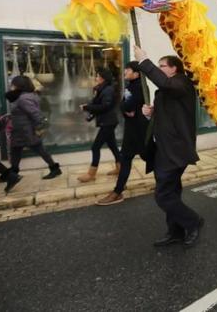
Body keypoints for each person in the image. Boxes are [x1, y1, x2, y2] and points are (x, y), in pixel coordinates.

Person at [135, 46, 203, 247]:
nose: (159, 67)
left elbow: (165, 84)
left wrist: (144, 61)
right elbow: (166, 112)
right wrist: (150, 113)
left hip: (175, 150)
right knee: (171, 191)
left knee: (163, 195)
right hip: (162, 149)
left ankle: (193, 221)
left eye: (162, 65)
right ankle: (175, 231)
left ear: (174, 69)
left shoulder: (182, 83)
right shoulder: (165, 89)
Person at [96, 62, 150, 206]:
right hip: (132, 130)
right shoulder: (131, 85)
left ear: (137, 73)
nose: (124, 71)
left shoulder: (140, 87)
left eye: (128, 69)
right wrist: (125, 107)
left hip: (141, 130)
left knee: (149, 157)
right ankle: (118, 190)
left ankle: (165, 182)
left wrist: (125, 107)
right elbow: (123, 105)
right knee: (126, 158)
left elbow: (128, 105)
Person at [5, 75, 61, 180]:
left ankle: (54, 168)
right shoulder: (24, 96)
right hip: (20, 130)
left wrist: (40, 127)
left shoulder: (23, 98)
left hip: (26, 131)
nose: (11, 86)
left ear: (18, 86)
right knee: (16, 150)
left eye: (13, 84)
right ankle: (13, 172)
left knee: (39, 150)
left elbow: (35, 113)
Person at [78, 68, 120, 182]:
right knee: (113, 146)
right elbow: (98, 104)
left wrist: (87, 107)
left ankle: (91, 174)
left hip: (108, 122)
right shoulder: (101, 89)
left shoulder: (108, 90)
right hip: (106, 121)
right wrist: (91, 113)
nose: (95, 78)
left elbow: (105, 106)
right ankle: (120, 168)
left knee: (95, 147)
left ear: (102, 78)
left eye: (97, 76)